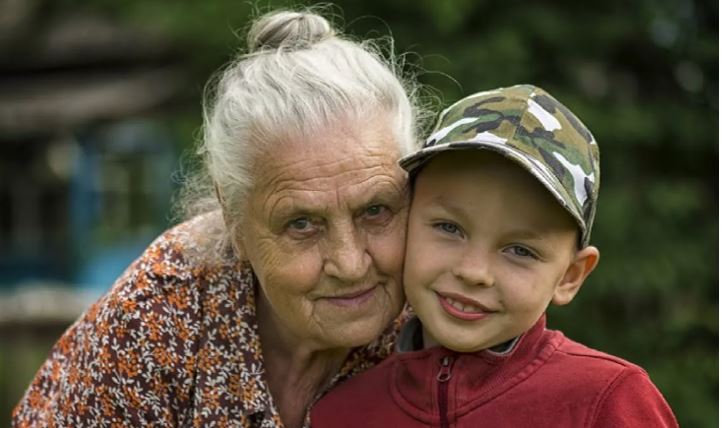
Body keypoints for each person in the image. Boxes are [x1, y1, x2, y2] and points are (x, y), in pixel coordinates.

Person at [13, 8, 426, 428]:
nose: (351, 263)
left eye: (375, 211)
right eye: (302, 224)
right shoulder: (155, 320)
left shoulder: (441, 308)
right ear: (234, 220)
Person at [311, 84, 679, 427]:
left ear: (570, 276)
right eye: (449, 228)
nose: (473, 272)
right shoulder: (338, 413)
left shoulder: (607, 402)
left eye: (520, 250)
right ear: (405, 220)